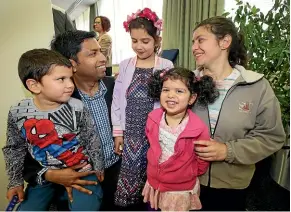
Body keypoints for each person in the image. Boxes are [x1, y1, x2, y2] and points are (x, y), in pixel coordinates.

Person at [191, 16, 286, 211]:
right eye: (193, 42)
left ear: (225, 42)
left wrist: (228, 151)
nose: (194, 47)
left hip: (232, 189)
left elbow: (272, 136)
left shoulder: (257, 86)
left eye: (200, 40)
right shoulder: (187, 85)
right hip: (188, 184)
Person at [22, 30, 121, 211]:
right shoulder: (55, 101)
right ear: (72, 63)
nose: (103, 58)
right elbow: (30, 157)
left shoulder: (116, 87)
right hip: (79, 184)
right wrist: (54, 175)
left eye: (100, 51)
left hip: (117, 177)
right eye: (93, 53)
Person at [2, 48, 104, 211]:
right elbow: (14, 149)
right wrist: (15, 182)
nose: (70, 85)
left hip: (81, 171)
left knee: (87, 207)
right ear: (34, 85)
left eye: (70, 78)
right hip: (44, 175)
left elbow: (91, 138)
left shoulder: (77, 107)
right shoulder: (18, 113)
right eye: (61, 79)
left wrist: (98, 166)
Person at [111, 8, 173, 209]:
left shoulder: (165, 64)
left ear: (157, 40)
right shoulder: (126, 64)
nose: (139, 46)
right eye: (134, 41)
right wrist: (118, 131)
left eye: (145, 41)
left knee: (154, 170)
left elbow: (170, 98)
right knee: (131, 171)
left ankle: (152, 204)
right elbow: (117, 99)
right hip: (131, 131)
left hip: (154, 131)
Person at [141, 67, 219, 211]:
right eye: (166, 90)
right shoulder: (152, 118)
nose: (171, 95)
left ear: (191, 98)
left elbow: (202, 160)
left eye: (179, 91)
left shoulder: (198, 128)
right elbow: (151, 143)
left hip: (179, 190)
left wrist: (190, 173)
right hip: (154, 184)